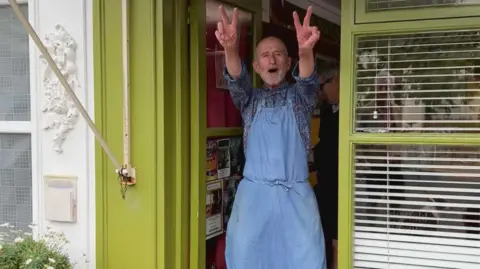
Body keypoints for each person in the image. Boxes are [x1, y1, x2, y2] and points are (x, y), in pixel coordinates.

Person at [215, 5, 326, 268]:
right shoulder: (249, 100)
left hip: (296, 202)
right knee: (246, 259)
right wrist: (230, 49)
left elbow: (308, 81)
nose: (272, 60)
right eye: (265, 55)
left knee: (305, 259)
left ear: (289, 63)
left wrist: (306, 51)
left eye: (278, 54)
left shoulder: (300, 100)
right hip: (254, 203)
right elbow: (236, 79)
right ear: (256, 65)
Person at [313, 62, 339, 269]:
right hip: (325, 184)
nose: (321, 92)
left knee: (338, 238)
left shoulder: (351, 112)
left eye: (324, 85)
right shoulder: (327, 111)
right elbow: (324, 144)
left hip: (340, 184)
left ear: (337, 81)